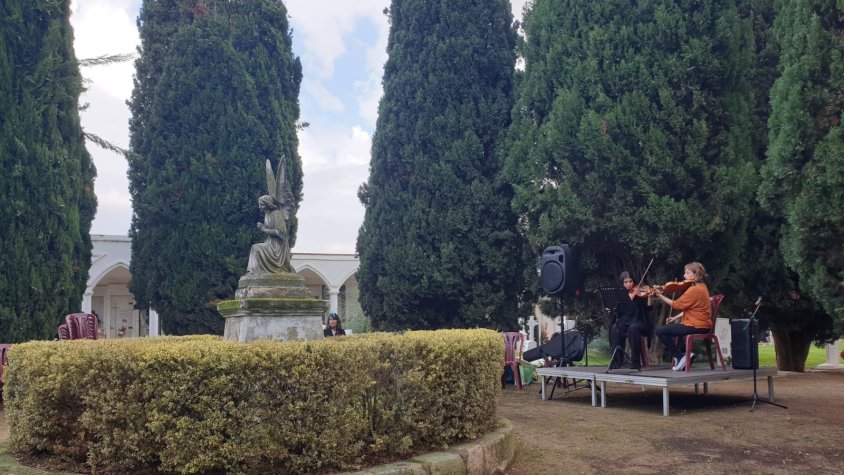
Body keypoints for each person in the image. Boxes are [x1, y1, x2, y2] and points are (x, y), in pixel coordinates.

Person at [653, 262, 712, 371]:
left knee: (660, 331)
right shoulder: (702, 287)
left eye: (687, 273)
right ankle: (684, 355)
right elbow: (690, 309)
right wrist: (675, 318)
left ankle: (679, 356)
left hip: (697, 325)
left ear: (696, 274)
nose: (684, 276)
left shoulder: (694, 290)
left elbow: (677, 304)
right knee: (677, 329)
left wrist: (660, 295)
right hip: (702, 325)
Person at [609, 271, 652, 370]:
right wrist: (626, 300)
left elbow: (649, 308)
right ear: (622, 283)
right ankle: (616, 361)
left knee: (633, 328)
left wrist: (650, 296)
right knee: (615, 327)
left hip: (639, 321)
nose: (629, 284)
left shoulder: (640, 293)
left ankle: (635, 362)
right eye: (626, 282)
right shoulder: (619, 296)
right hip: (624, 321)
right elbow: (616, 311)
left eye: (630, 281)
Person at [246, 195, 293, 274]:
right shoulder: (267, 215)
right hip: (269, 242)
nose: (260, 207)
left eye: (262, 204)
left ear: (268, 204)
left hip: (278, 247)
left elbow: (280, 232)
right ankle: (253, 271)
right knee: (256, 248)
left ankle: (254, 271)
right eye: (259, 204)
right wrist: (263, 227)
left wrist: (263, 229)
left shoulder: (277, 214)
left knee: (255, 248)